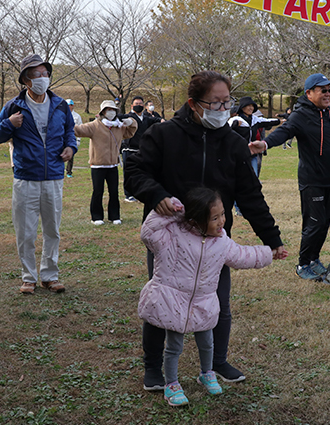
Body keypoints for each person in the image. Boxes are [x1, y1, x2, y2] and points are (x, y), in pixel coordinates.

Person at [125, 70, 287, 389]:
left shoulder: (233, 143)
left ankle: (216, 362)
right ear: (194, 104)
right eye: (215, 102)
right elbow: (134, 172)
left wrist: (273, 240)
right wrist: (156, 195)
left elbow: (251, 195)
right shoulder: (164, 134)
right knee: (164, 301)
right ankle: (153, 368)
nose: (223, 108)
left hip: (213, 241)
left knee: (218, 302)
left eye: (227, 102)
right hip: (169, 238)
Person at [138, 188, 276, 406]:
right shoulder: (171, 236)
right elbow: (148, 232)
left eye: (223, 214)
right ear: (195, 220)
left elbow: (243, 255)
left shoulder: (222, 241)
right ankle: (171, 384)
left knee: (207, 342)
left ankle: (206, 373)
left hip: (204, 303)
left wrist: (269, 253)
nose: (222, 221)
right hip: (173, 303)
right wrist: (173, 211)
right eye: (214, 217)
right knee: (174, 346)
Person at [255, 73, 330, 280]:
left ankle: (314, 259)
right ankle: (303, 265)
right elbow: (284, 131)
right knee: (314, 223)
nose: (329, 94)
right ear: (309, 93)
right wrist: (265, 144)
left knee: (324, 223)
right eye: (323, 90)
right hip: (312, 181)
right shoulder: (300, 116)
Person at [0, 54, 77, 295]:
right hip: (25, 177)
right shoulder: (13, 107)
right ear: (25, 80)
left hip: (53, 176)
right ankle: (28, 277)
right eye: (36, 75)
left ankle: (50, 276)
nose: (42, 79)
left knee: (52, 230)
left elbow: (69, 131)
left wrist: (71, 147)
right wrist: (9, 123)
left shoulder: (60, 105)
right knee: (25, 231)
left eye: (45, 74)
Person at [74, 100, 137, 225]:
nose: (111, 112)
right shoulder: (94, 126)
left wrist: (131, 121)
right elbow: (78, 130)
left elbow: (131, 131)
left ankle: (114, 216)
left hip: (113, 164)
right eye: (108, 110)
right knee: (98, 191)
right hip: (98, 165)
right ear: (103, 112)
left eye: (113, 110)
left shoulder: (118, 127)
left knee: (114, 191)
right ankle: (96, 217)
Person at [121, 96, 162, 202]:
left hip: (141, 150)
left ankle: (139, 193)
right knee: (128, 172)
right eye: (136, 104)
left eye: (140, 104)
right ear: (131, 106)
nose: (138, 106)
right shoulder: (129, 117)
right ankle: (128, 194)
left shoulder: (146, 118)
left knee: (142, 172)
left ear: (144, 106)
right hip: (129, 149)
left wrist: (162, 120)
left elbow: (155, 119)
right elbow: (119, 117)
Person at [232, 96, 280, 178]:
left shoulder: (255, 120)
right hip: (238, 154)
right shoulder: (236, 120)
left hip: (252, 153)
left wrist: (280, 121)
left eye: (252, 106)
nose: (251, 108)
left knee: (254, 177)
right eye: (248, 106)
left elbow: (268, 121)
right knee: (239, 177)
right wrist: (235, 125)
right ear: (242, 107)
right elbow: (225, 129)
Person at [64, 99, 83, 178]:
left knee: (70, 156)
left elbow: (80, 128)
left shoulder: (77, 116)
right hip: (62, 138)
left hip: (72, 138)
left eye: (70, 105)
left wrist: (78, 140)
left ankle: (69, 171)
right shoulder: (61, 114)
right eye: (68, 105)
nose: (69, 107)